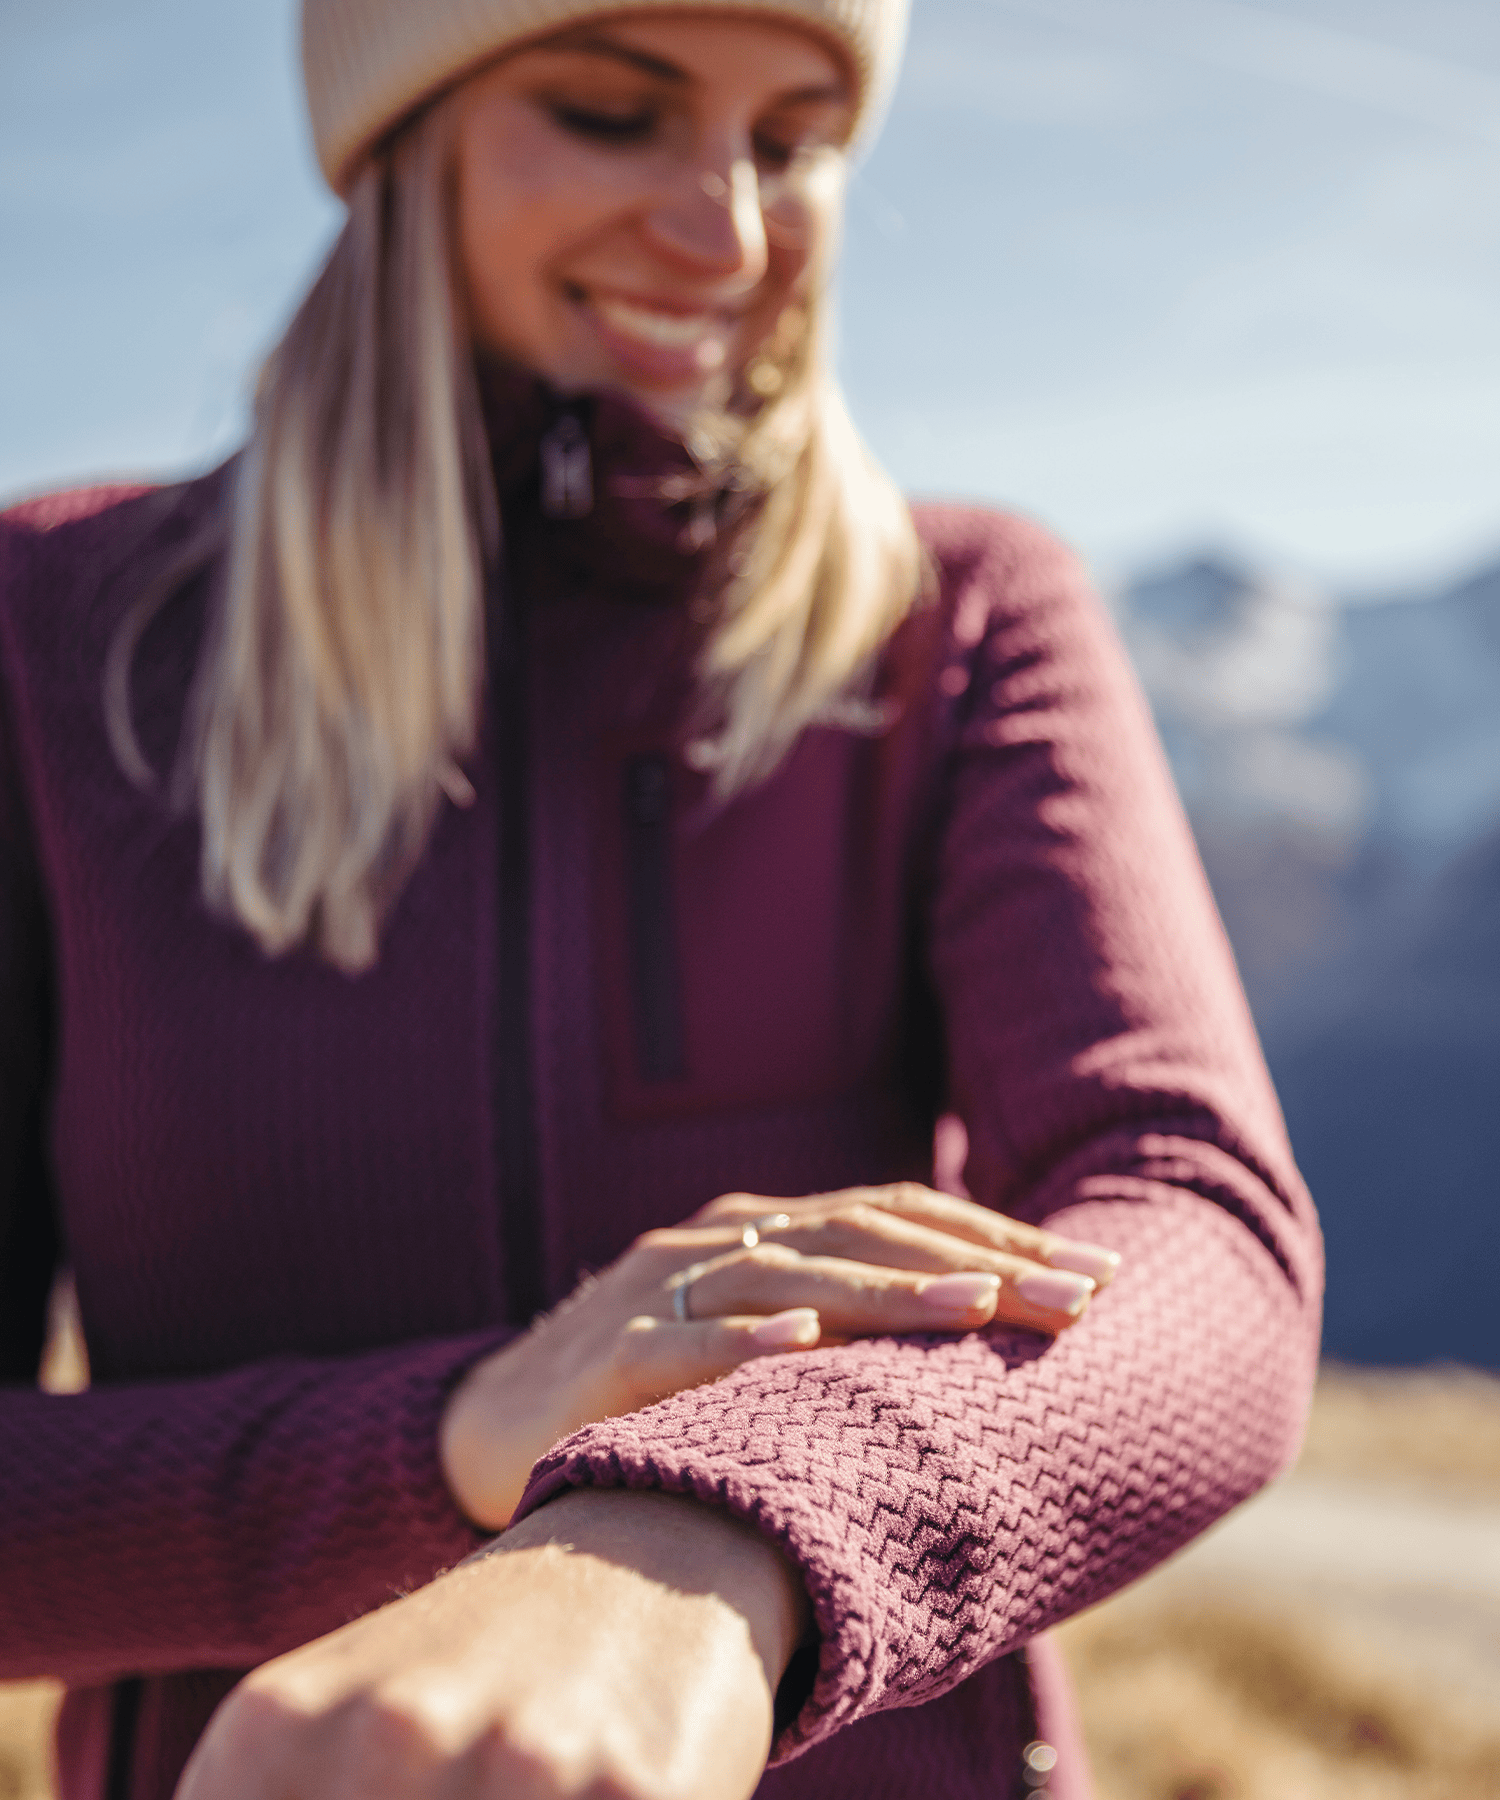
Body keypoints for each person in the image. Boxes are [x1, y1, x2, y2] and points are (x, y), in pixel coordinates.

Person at [0, 2, 1323, 1796]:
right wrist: (456, 1439)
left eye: (791, 139)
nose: (729, 231)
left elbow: (1200, 1234)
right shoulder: (49, 645)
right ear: (406, 141)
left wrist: (707, 1535)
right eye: (613, 111)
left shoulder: (964, 623)